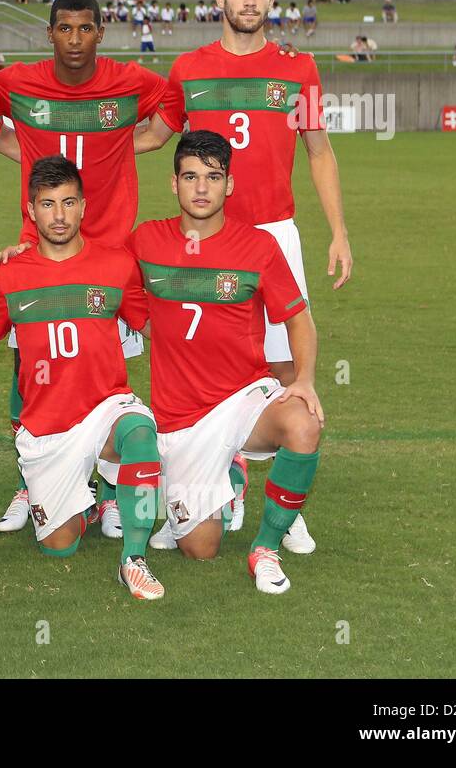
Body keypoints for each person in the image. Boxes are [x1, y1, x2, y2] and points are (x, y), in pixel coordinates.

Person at [141, 0, 350, 550]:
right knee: (200, 358)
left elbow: (318, 150)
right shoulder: (189, 68)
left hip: (273, 233)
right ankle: (211, 474)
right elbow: (157, 135)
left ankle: (285, 505)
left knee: (285, 371)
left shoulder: (300, 69)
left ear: (271, 0)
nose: (250, 1)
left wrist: (337, 230)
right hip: (201, 240)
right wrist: (81, 139)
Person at [0, 0, 181, 533]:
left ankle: (111, 488)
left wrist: (128, 144)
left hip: (111, 253)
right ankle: (31, 481)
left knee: (105, 368)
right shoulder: (16, 81)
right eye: (64, 28)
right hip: (38, 247)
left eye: (84, 28)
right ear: (49, 33)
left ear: (99, 32)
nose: (74, 39)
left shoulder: (132, 81)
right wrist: (26, 151)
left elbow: (170, 113)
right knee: (30, 365)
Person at [129, 131, 324, 595]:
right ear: (173, 184)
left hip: (243, 397)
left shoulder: (256, 247)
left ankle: (267, 547)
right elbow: (94, 271)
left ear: (229, 185)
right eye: (191, 176)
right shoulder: (145, 240)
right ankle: (231, 473)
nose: (201, 188)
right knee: (200, 548)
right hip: (182, 417)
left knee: (304, 423)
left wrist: (308, 381)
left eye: (213, 177)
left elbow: (299, 320)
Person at [0, 156, 163, 598]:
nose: (58, 216)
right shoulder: (8, 275)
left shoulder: (117, 266)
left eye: (68, 203)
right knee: (59, 547)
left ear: (84, 207)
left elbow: (157, 328)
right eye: (47, 204)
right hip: (48, 429)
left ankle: (134, 559)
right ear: (31, 210)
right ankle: (88, 502)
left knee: (139, 431)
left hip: (105, 408)